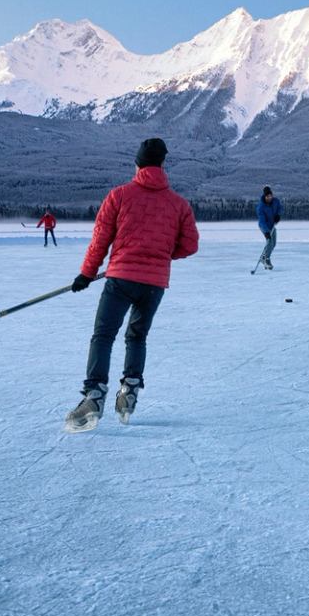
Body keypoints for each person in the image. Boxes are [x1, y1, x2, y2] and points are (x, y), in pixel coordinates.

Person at [64, 137, 199, 432]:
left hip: (121, 278)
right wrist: (160, 256)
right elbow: (190, 245)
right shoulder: (179, 204)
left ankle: (94, 395)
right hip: (154, 284)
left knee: (103, 336)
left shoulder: (119, 195)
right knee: (136, 337)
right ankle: (129, 392)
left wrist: (86, 274)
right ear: (163, 165)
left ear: (137, 164)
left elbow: (100, 240)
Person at [255, 186, 282, 269]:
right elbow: (262, 221)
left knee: (273, 244)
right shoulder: (261, 207)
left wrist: (278, 215)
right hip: (264, 226)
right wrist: (266, 232)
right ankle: (266, 259)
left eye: (271, 196)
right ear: (265, 196)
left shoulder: (276, 201)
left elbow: (280, 208)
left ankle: (264, 257)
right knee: (269, 242)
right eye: (268, 196)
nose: (269, 198)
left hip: (272, 225)